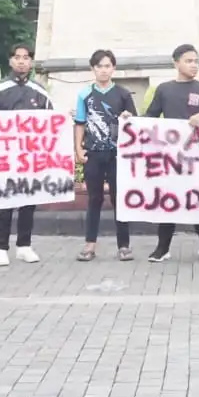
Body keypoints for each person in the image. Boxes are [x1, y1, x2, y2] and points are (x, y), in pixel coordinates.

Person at [144, 44, 199, 263]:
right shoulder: (164, 89)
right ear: (176, 63)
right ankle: (162, 248)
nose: (194, 65)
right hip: (170, 158)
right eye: (188, 61)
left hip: (198, 157)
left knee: (198, 200)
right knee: (169, 200)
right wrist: (131, 120)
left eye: (196, 61)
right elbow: (150, 116)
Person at [0, 43, 54, 266]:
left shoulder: (40, 92)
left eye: (26, 57)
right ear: (10, 61)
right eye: (17, 57)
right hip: (5, 158)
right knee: (5, 201)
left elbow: (51, 124)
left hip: (31, 158)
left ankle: (24, 245)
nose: (22, 61)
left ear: (31, 62)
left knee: (29, 202)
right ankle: (0, 247)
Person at [74, 50, 137, 261]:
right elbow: (80, 123)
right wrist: (78, 149)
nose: (103, 70)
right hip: (93, 153)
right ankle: (90, 244)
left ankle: (124, 245)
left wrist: (128, 117)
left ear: (114, 68)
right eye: (99, 66)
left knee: (119, 198)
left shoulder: (123, 94)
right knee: (94, 199)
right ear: (93, 69)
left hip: (117, 154)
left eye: (107, 66)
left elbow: (135, 125)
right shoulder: (84, 95)